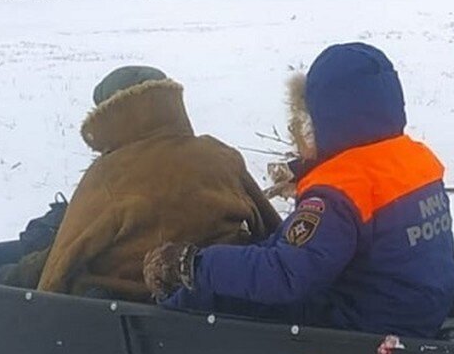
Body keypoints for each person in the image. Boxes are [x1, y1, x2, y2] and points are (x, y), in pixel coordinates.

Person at [143, 43, 454, 338]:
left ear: (325, 116)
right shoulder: (411, 158)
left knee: (219, 295)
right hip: (419, 308)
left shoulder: (338, 191)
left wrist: (196, 264)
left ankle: (158, 344)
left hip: (365, 325)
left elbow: (285, 276)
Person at [34, 65, 282, 301]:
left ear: (107, 114)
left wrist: (37, 311)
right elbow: (269, 227)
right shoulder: (218, 153)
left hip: (130, 304)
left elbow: (61, 261)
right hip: (220, 290)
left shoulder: (108, 174)